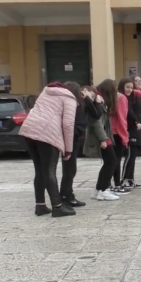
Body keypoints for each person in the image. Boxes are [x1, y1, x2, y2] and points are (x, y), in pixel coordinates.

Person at [20, 82, 77, 217]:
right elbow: (68, 125)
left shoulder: (45, 92)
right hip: (48, 135)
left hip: (29, 130)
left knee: (39, 170)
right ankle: (57, 207)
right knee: (49, 170)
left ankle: (40, 206)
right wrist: (68, 149)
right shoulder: (69, 98)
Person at [84, 79, 120, 201]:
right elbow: (97, 122)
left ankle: (98, 189)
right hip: (101, 136)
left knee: (109, 162)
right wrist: (104, 139)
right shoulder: (97, 100)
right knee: (112, 162)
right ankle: (103, 190)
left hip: (103, 135)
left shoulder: (98, 99)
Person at [59, 82, 89, 210]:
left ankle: (66, 194)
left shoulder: (66, 103)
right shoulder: (76, 104)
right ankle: (66, 196)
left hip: (66, 137)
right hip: (71, 138)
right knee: (70, 169)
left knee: (69, 169)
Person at [122, 77, 141, 189]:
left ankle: (130, 179)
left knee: (134, 156)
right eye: (136, 81)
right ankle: (124, 179)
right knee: (130, 156)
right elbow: (129, 112)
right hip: (131, 129)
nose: (140, 82)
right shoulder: (126, 98)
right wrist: (137, 121)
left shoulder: (139, 96)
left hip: (138, 129)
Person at [111, 80, 130, 195]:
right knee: (116, 160)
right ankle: (117, 184)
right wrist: (125, 137)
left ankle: (110, 184)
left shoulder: (106, 98)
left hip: (109, 133)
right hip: (117, 133)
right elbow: (122, 118)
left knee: (111, 161)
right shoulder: (120, 98)